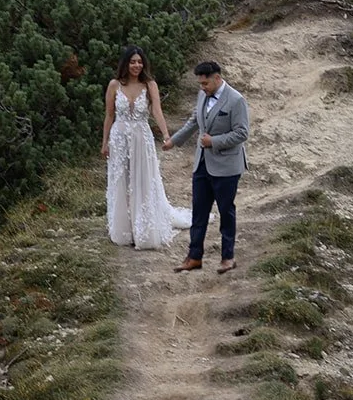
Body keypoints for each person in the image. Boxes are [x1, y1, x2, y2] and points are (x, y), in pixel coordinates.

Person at [102, 46, 192, 248]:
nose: (136, 65)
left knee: (142, 179)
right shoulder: (114, 85)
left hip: (142, 138)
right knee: (121, 179)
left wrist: (167, 134)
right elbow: (109, 115)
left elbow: (157, 111)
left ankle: (144, 228)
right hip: (119, 138)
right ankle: (124, 229)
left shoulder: (149, 85)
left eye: (139, 62)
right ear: (126, 63)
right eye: (133, 62)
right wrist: (105, 142)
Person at [164, 61, 249, 273]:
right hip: (202, 164)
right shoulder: (202, 94)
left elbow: (242, 133)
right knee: (198, 212)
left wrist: (215, 141)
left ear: (217, 78)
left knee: (226, 211)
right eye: (200, 84)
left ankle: (228, 257)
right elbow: (194, 121)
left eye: (206, 83)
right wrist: (173, 141)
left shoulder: (236, 100)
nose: (203, 87)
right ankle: (194, 257)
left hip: (227, 166)